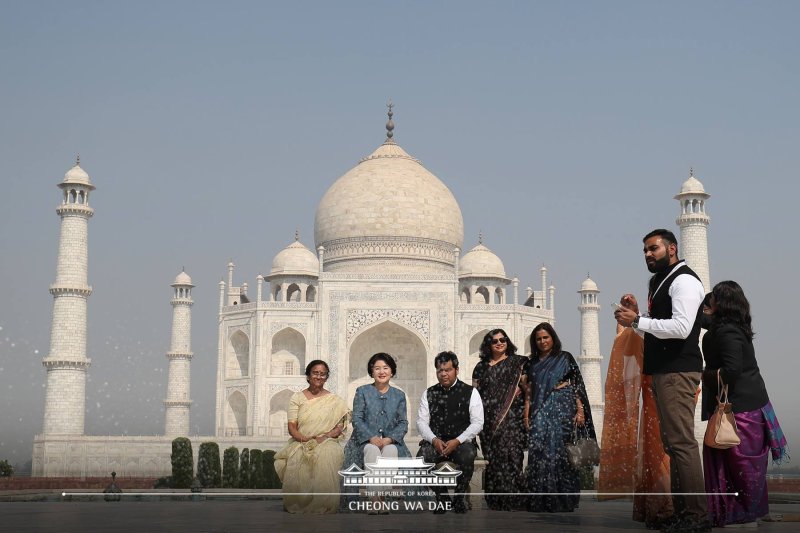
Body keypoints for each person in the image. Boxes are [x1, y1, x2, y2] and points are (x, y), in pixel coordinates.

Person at [614, 228, 710, 533]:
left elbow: (681, 328)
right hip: (662, 371)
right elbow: (658, 327)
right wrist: (638, 316)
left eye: (653, 248)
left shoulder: (684, 281)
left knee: (681, 443)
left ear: (672, 248)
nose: (647, 254)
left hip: (678, 371)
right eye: (644, 250)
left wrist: (637, 320)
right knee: (673, 444)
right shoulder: (660, 282)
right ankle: (685, 514)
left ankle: (696, 516)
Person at [701, 281, 787, 528]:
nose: (708, 303)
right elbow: (697, 320)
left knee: (742, 465)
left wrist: (704, 375)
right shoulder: (729, 327)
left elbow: (732, 370)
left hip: (742, 408)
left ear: (721, 303)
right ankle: (742, 512)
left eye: (712, 299)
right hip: (743, 404)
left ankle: (745, 514)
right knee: (736, 463)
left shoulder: (727, 332)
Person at [598, 299, 673, 528]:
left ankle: (670, 507)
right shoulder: (648, 328)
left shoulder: (674, 325)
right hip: (653, 398)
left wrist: (635, 320)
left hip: (668, 393)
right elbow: (630, 341)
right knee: (654, 452)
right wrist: (633, 319)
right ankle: (659, 507)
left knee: (666, 451)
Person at [524, 322, 596, 513]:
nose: (542, 341)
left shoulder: (565, 357)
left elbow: (576, 384)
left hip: (563, 407)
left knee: (562, 453)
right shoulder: (531, 363)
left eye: (545, 337)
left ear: (552, 338)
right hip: (540, 409)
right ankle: (541, 499)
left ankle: (563, 500)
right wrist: (526, 416)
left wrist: (580, 410)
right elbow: (529, 392)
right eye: (538, 339)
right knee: (539, 451)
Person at [274, 360, 350, 514]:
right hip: (302, 439)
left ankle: (323, 503)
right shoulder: (297, 398)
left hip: (328, 440)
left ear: (326, 377)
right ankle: (299, 502)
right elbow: (292, 427)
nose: (319, 377)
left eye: (323, 374)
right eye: (315, 373)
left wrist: (325, 436)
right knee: (298, 456)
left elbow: (339, 426)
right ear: (308, 376)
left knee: (327, 454)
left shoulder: (335, 400)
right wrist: (306, 439)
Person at [342, 352, 411, 512]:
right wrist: (370, 437)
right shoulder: (362, 391)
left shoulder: (399, 395)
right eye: (377, 368)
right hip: (363, 442)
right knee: (372, 450)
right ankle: (374, 499)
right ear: (371, 371)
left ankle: (382, 496)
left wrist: (389, 439)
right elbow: (357, 419)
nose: (381, 372)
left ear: (392, 371)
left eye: (385, 368)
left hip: (390, 441)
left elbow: (403, 423)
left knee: (391, 450)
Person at [417, 351, 484, 514]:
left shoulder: (470, 392)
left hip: (462, 442)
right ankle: (443, 498)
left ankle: (459, 498)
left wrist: (458, 440)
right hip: (436, 442)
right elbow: (421, 422)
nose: (443, 374)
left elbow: (478, 423)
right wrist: (434, 440)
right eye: (440, 370)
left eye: (447, 370)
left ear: (456, 370)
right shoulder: (429, 393)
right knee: (422, 460)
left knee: (467, 455)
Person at [472, 328, 528, 511]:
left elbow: (528, 389)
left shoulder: (518, 363)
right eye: (494, 341)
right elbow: (475, 395)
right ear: (488, 345)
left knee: (512, 457)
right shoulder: (481, 367)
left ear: (507, 341)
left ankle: (514, 498)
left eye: (502, 339)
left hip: (512, 418)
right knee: (493, 460)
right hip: (488, 420)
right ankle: (496, 499)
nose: (499, 343)